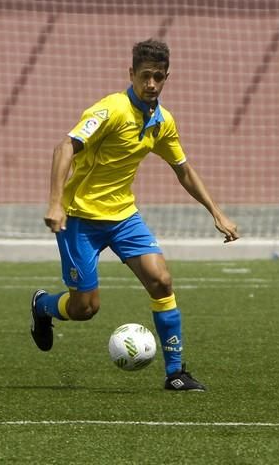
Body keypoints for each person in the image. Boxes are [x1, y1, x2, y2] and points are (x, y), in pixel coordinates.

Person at [30, 39, 239, 391]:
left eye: (159, 77)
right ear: (132, 74)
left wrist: (217, 212)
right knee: (84, 308)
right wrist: (55, 202)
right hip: (79, 218)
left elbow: (183, 169)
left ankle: (176, 372)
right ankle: (43, 306)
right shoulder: (111, 110)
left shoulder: (162, 121)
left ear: (166, 77)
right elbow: (64, 146)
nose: (152, 84)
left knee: (161, 280)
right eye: (145, 76)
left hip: (124, 216)